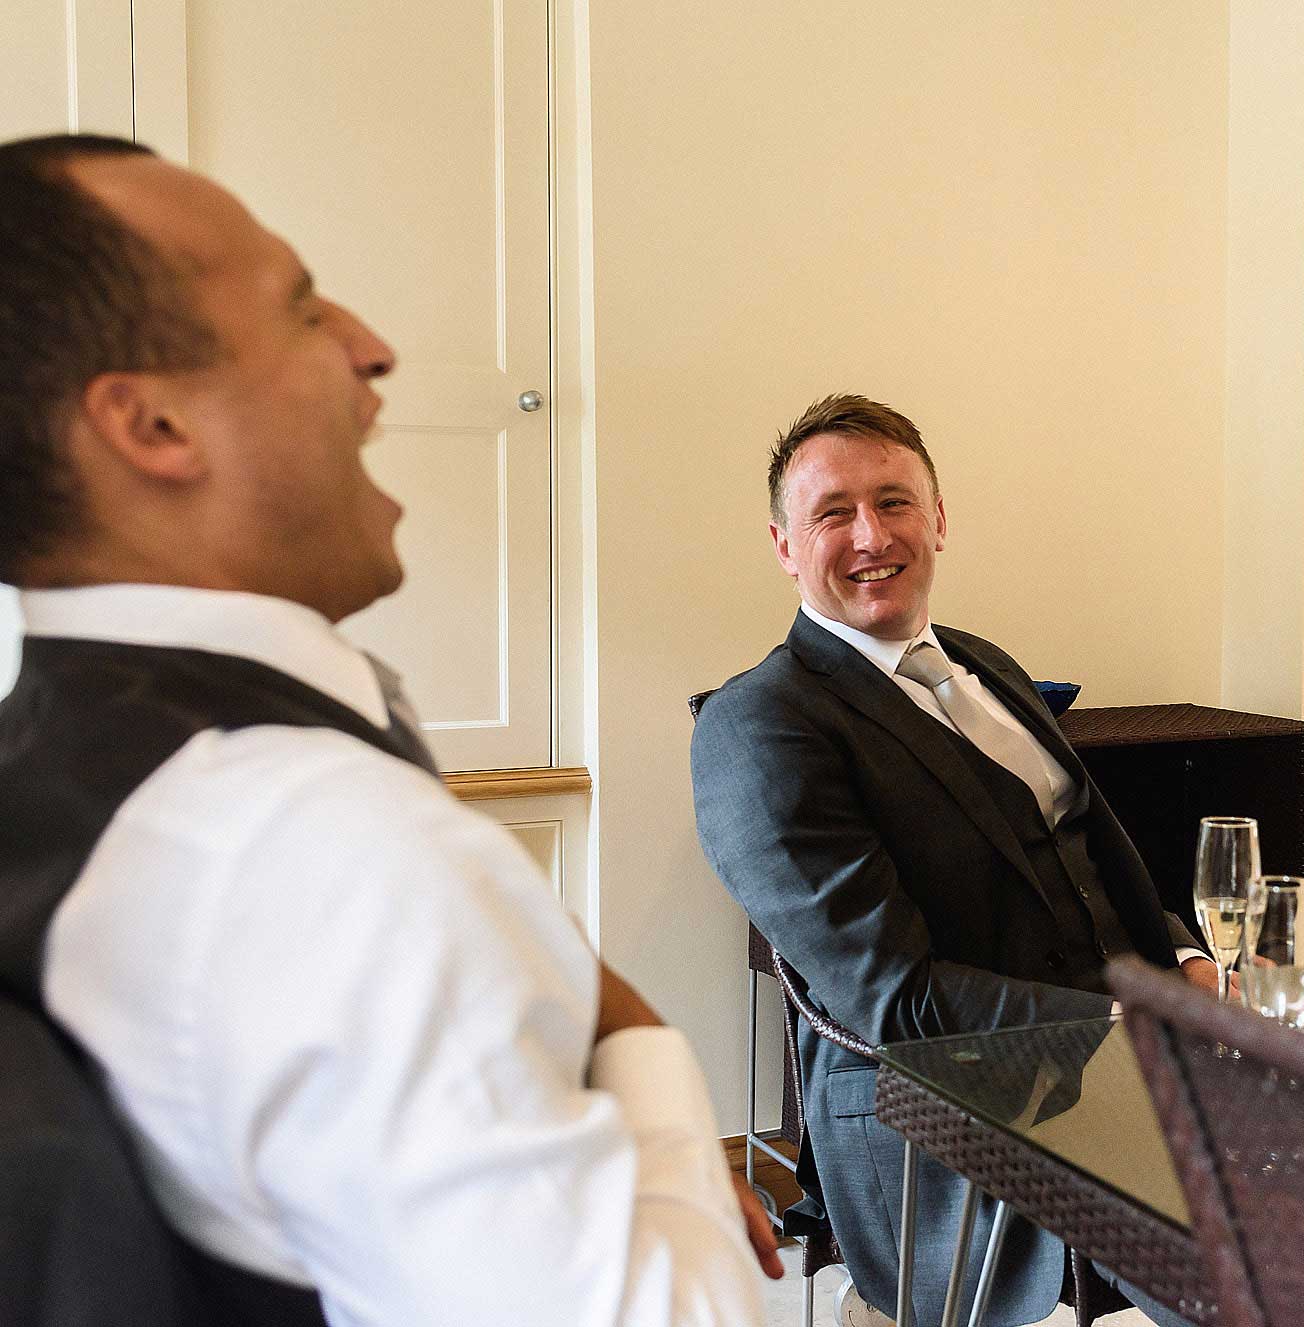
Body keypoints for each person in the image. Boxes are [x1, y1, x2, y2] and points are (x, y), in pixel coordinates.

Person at [0, 133, 778, 1325]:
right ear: (151, 426)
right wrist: (648, 1063)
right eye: (303, 308)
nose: (373, 347)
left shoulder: (67, 760)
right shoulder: (312, 846)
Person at [691, 394, 1214, 1327]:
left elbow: (1091, 841)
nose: (869, 535)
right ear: (783, 545)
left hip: (1128, 1070)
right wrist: (1130, 1030)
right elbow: (897, 1002)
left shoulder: (983, 664)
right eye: (832, 513)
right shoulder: (762, 725)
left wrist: (1182, 960)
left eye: (894, 502)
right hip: (946, 1114)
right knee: (1273, 1268)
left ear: (938, 519)